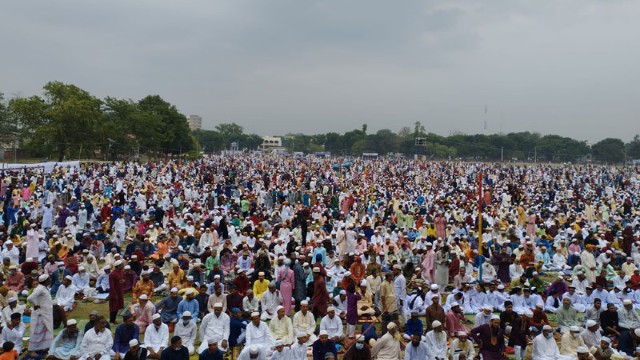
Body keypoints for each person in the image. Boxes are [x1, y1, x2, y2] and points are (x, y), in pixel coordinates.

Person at [28, 274, 54, 353]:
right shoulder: (39, 289)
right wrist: (35, 305)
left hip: (47, 312)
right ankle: (32, 348)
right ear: (45, 281)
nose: (50, 280)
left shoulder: (45, 288)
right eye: (48, 279)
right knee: (38, 331)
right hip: (41, 313)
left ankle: (45, 346)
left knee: (46, 329)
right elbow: (30, 298)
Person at [109, 260, 125, 324]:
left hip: (120, 291)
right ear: (118, 266)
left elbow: (121, 280)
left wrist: (122, 281)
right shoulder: (112, 274)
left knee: (118, 306)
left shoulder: (121, 272)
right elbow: (112, 285)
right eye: (122, 265)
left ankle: (114, 319)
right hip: (114, 292)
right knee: (113, 307)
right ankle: (111, 320)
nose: (123, 266)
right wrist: (114, 294)